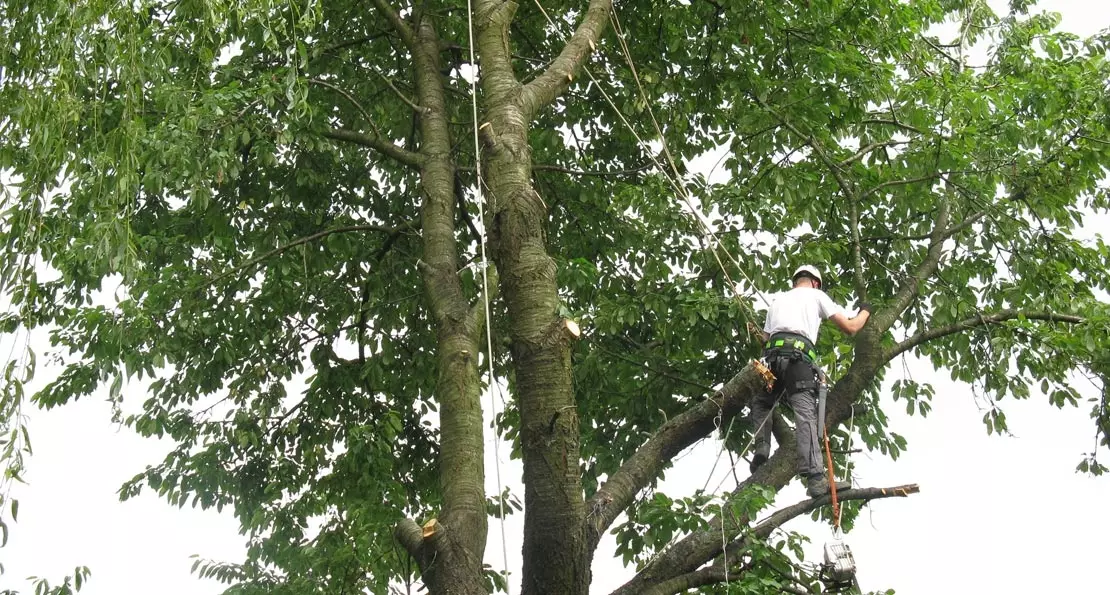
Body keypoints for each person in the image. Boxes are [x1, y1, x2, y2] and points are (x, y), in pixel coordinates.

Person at [748, 265, 872, 497]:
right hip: (798, 361)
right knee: (806, 416)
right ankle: (816, 480)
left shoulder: (777, 301)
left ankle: (762, 447)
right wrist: (865, 311)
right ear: (815, 282)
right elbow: (851, 327)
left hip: (771, 359)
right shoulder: (817, 295)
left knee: (761, 403)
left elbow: (764, 341)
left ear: (796, 281)